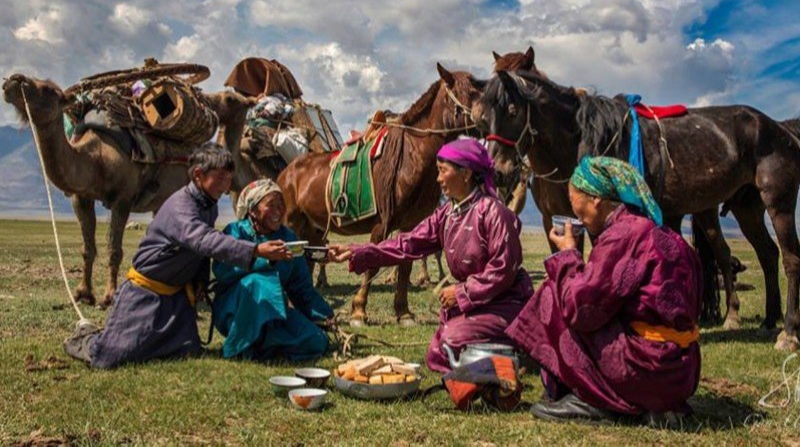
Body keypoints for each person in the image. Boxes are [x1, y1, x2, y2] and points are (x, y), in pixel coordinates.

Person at [506, 156, 702, 424]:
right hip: (683, 372)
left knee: (553, 294)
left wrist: (568, 255)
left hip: (647, 372)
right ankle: (655, 405)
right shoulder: (662, 233)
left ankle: (592, 398)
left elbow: (580, 310)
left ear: (596, 199)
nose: (577, 217)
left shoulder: (622, 236)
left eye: (577, 206)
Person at [63, 143, 290, 369]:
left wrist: (200, 279)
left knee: (186, 350)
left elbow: (200, 251)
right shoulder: (182, 206)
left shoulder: (209, 204)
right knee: (106, 357)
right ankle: (84, 337)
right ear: (199, 175)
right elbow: (202, 239)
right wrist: (255, 250)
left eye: (229, 177)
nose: (227, 184)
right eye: (220, 177)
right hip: (145, 293)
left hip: (175, 299)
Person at [328, 137, 533, 373]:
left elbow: (503, 270)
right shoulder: (447, 214)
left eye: (443, 171)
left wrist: (461, 292)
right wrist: (358, 251)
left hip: (505, 304)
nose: (438, 179)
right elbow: (406, 244)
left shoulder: (494, 212)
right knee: (438, 351)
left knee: (451, 343)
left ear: (466, 174)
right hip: (476, 304)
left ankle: (518, 346)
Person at [212, 179, 334, 360]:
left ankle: (262, 349)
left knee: (318, 340)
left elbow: (301, 287)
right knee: (259, 283)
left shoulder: (288, 238)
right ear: (252, 210)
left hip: (274, 311)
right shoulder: (236, 232)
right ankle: (240, 346)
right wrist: (264, 260)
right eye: (271, 205)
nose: (278, 211)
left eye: (281, 204)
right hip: (236, 309)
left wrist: (325, 316)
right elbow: (222, 270)